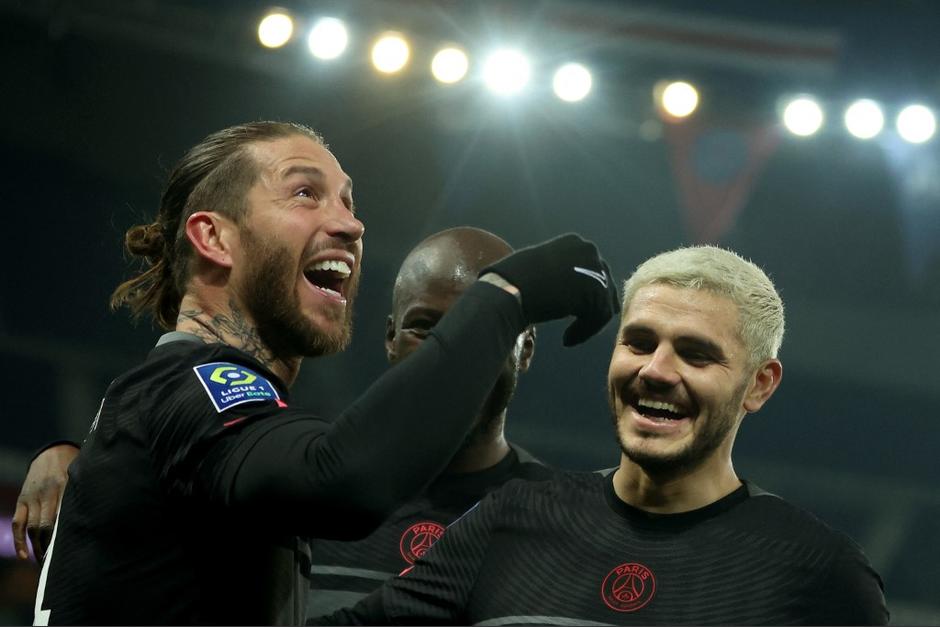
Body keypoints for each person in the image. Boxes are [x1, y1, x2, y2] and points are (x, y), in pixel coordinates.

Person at [24, 121, 620, 625]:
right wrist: (504, 296)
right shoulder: (194, 384)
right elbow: (340, 481)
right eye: (305, 194)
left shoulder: (170, 399)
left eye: (348, 202)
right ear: (214, 237)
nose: (351, 226)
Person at [315, 245, 890, 626]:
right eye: (639, 342)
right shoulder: (507, 519)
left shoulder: (818, 572)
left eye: (694, 353)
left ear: (759, 384)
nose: (657, 370)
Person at [307, 227, 555, 618]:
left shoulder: (561, 520)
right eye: (427, 328)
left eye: (486, 328)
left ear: (526, 349)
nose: (453, 357)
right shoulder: (308, 497)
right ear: (391, 337)